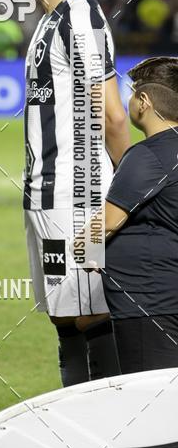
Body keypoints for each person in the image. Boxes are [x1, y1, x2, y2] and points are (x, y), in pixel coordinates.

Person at [21, 0, 131, 386]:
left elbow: (112, 114)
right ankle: (79, 420)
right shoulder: (51, 21)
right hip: (46, 196)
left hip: (77, 196)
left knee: (89, 314)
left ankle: (109, 422)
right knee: (65, 316)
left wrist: (128, 185)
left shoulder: (80, 17)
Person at [97, 57, 178, 372]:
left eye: (131, 94)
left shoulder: (147, 154)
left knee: (153, 394)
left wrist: (81, 246)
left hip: (151, 302)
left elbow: (104, 225)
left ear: (144, 102)